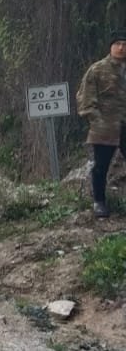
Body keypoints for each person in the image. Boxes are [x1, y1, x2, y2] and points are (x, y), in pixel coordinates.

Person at [76, 33, 126, 219]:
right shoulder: (97, 69)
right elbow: (85, 98)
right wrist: (96, 120)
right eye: (117, 44)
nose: (121, 48)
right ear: (111, 47)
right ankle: (99, 202)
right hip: (105, 126)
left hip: (124, 124)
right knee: (101, 166)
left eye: (124, 44)